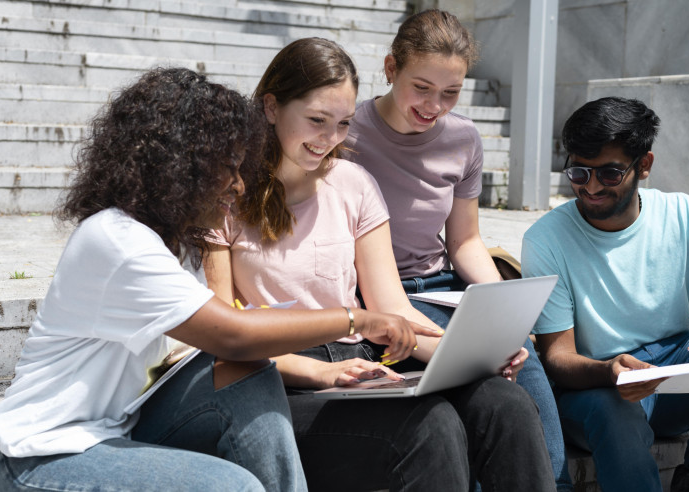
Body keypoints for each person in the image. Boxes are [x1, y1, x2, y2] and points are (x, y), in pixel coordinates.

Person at [0, 67, 437, 492]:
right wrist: (354, 319)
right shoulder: (116, 240)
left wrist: (322, 370)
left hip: (122, 424)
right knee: (232, 486)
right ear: (178, 166)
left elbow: (231, 353)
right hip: (40, 456)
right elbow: (233, 334)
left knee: (248, 375)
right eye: (229, 168)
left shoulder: (175, 240)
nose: (240, 186)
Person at [205, 37, 556, 491]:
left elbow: (394, 310)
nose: (330, 140)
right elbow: (221, 335)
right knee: (430, 426)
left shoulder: (352, 183)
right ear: (271, 107)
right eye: (316, 120)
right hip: (283, 379)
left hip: (364, 362)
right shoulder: (225, 196)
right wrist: (321, 372)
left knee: (503, 403)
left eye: (344, 123)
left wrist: (472, 356)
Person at [343, 9, 572, 490]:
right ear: (390, 69)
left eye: (451, 93)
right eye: (421, 87)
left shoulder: (463, 138)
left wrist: (505, 313)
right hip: (376, 299)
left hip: (443, 290)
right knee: (480, 392)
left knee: (524, 367)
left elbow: (465, 241)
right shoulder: (348, 136)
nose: (434, 106)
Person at [521, 96, 689, 492]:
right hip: (597, 387)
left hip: (674, 371)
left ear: (645, 166)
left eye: (609, 173)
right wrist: (608, 372)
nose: (590, 187)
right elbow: (556, 357)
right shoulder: (546, 239)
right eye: (579, 173)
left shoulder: (683, 215)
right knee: (612, 410)